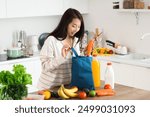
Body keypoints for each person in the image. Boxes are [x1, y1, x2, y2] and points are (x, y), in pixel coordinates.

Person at [37, 8, 85, 90]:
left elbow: (74, 65)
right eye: (74, 26)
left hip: (66, 87)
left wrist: (84, 58)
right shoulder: (52, 40)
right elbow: (45, 67)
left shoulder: (76, 41)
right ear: (66, 23)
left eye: (78, 27)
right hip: (48, 88)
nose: (76, 30)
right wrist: (62, 57)